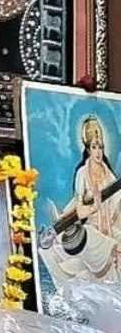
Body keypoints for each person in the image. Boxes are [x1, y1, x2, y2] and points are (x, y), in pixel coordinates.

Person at [40, 116, 121, 285]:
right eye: (94, 147)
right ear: (88, 149)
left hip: (110, 226)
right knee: (98, 241)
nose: (98, 152)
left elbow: (117, 202)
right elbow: (79, 209)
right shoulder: (82, 173)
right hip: (91, 228)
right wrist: (93, 208)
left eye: (101, 147)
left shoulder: (107, 172)